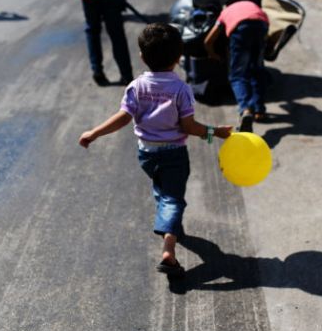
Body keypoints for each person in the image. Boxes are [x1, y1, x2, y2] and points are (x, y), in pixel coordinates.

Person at [78, 23, 232, 277]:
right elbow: (188, 126)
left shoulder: (137, 86)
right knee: (174, 198)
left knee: (162, 190)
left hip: (146, 154)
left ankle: (168, 220)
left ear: (142, 56)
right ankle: (169, 249)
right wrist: (216, 132)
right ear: (178, 57)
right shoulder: (180, 89)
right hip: (174, 154)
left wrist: (94, 132)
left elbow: (123, 117)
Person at [203, 0, 269, 132]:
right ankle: (259, 110)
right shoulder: (254, 5)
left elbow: (208, 40)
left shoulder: (227, 10)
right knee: (257, 70)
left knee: (237, 75)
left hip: (241, 30)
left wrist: (212, 54)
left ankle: (246, 109)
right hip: (261, 25)